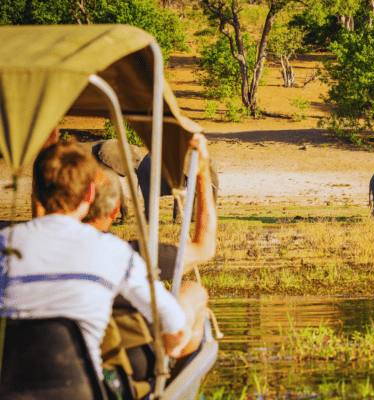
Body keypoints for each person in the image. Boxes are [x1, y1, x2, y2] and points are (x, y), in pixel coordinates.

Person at [0, 139, 198, 383]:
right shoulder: (112, 250)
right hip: (83, 388)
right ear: (90, 193)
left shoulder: (4, 244)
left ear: (36, 191)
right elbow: (173, 321)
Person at [83, 133, 215, 398]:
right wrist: (202, 176)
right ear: (114, 209)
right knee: (194, 293)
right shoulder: (126, 256)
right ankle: (170, 381)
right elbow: (204, 248)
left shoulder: (18, 248)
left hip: (43, 368)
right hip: (121, 374)